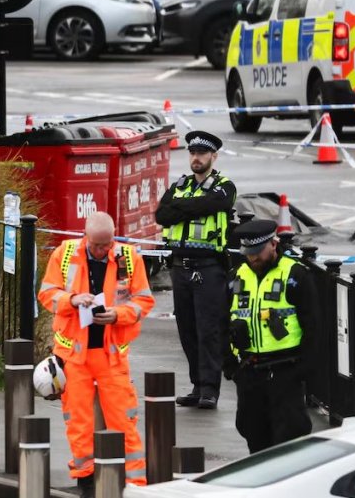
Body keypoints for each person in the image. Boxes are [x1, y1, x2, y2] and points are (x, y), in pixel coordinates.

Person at [37, 212, 155, 495]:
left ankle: (136, 483)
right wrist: (72, 300)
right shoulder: (65, 255)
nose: (104, 250)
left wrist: (118, 315)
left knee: (123, 419)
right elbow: (46, 293)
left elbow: (144, 301)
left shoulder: (128, 257)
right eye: (98, 245)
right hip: (74, 356)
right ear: (85, 237)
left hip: (110, 354)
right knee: (78, 421)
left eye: (108, 244)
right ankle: (86, 479)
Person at [155, 130, 237, 410]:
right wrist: (191, 207)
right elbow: (162, 215)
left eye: (202, 154)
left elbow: (216, 203)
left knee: (209, 329)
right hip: (180, 267)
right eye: (192, 153)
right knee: (187, 329)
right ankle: (197, 384)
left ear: (213, 156)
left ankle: (210, 389)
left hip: (209, 267)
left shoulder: (224, 186)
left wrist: (182, 207)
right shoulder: (179, 185)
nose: (196, 158)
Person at [223, 219, 317, 453]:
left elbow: (315, 328)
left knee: (289, 442)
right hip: (249, 372)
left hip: (285, 372)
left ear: (273, 244)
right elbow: (220, 322)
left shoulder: (295, 275)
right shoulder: (237, 276)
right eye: (248, 253)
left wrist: (301, 372)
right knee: (253, 434)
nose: (252, 258)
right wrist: (231, 367)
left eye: (257, 252)